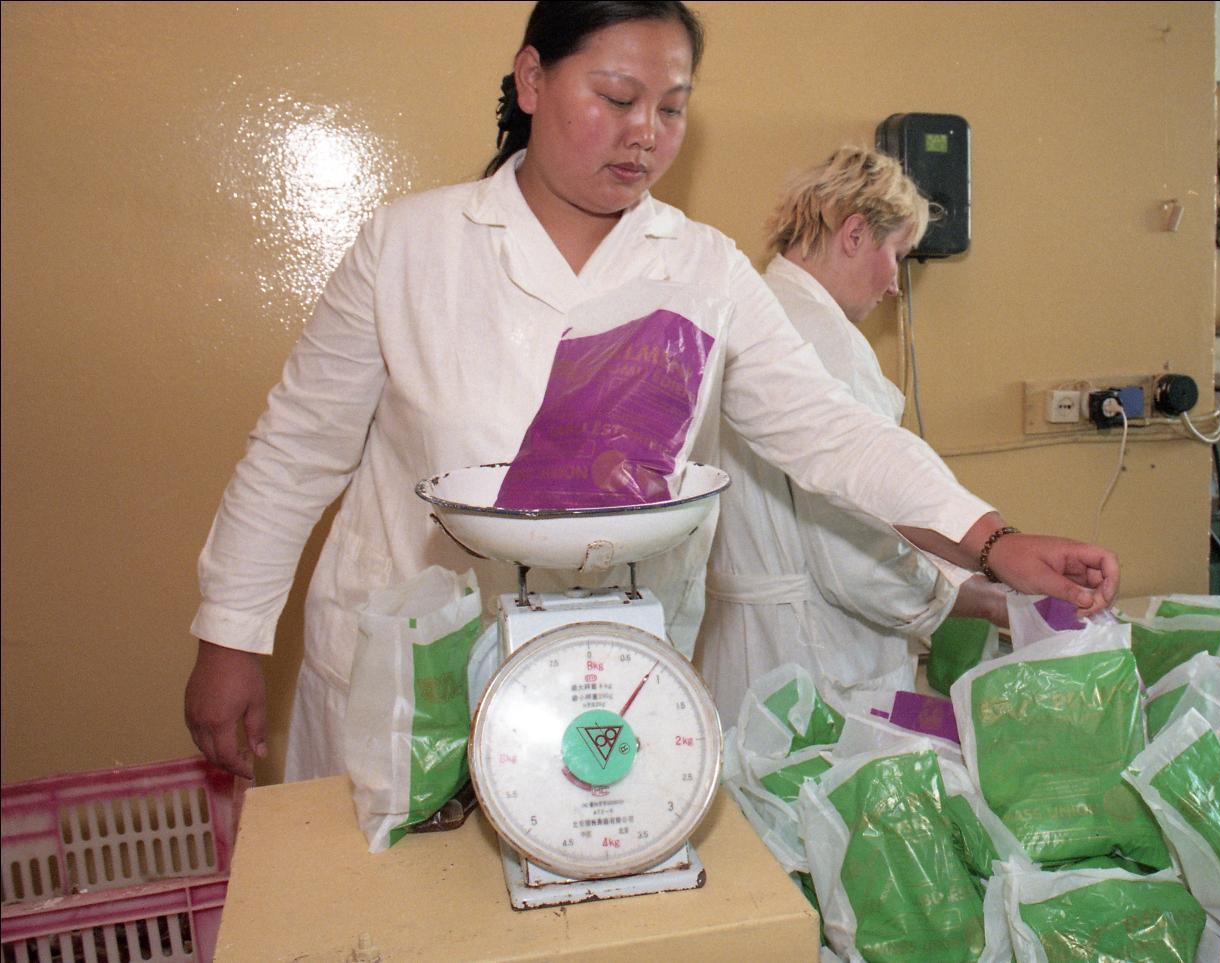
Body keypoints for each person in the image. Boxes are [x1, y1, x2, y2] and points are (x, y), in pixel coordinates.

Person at [184, 1, 1119, 782]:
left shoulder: (703, 268)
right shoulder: (409, 247)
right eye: (618, 98)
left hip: (612, 684)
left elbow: (831, 432)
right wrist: (231, 636)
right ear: (531, 80)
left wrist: (993, 540)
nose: (646, 134)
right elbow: (296, 451)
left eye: (672, 109)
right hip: (413, 681)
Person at [695, 147, 1007, 726]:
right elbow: (856, 559)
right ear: (856, 234)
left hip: (736, 651)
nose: (894, 286)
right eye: (897, 256)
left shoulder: (748, 317)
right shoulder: (823, 340)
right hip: (818, 663)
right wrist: (971, 598)